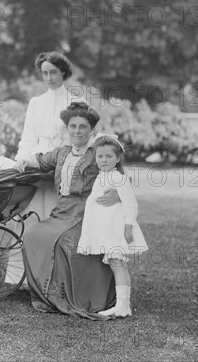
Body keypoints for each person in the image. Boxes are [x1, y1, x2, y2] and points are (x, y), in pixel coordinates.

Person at [14, 102, 117, 319]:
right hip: (62, 212)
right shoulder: (62, 153)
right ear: (67, 129)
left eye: (82, 127)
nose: (77, 131)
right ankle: (49, 295)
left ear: (92, 130)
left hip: (88, 212)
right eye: (73, 126)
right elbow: (40, 161)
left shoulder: (98, 152)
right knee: (33, 235)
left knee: (65, 243)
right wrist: (24, 161)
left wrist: (115, 194)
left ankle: (77, 297)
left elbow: (118, 174)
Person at [8, 52, 86, 285]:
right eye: (45, 73)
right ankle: (24, 279)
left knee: (57, 219)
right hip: (36, 166)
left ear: (63, 72)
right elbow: (28, 137)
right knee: (31, 217)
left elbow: (80, 137)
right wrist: (22, 160)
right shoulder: (36, 103)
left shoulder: (76, 102)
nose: (49, 77)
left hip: (63, 165)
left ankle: (59, 279)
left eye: (53, 72)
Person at [77, 135, 148, 317]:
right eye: (100, 156)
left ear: (117, 158)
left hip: (117, 229)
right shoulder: (102, 176)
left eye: (109, 156)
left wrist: (128, 227)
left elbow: (131, 203)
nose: (104, 160)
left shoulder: (117, 177)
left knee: (118, 264)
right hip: (107, 229)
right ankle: (121, 304)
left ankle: (123, 305)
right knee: (115, 264)